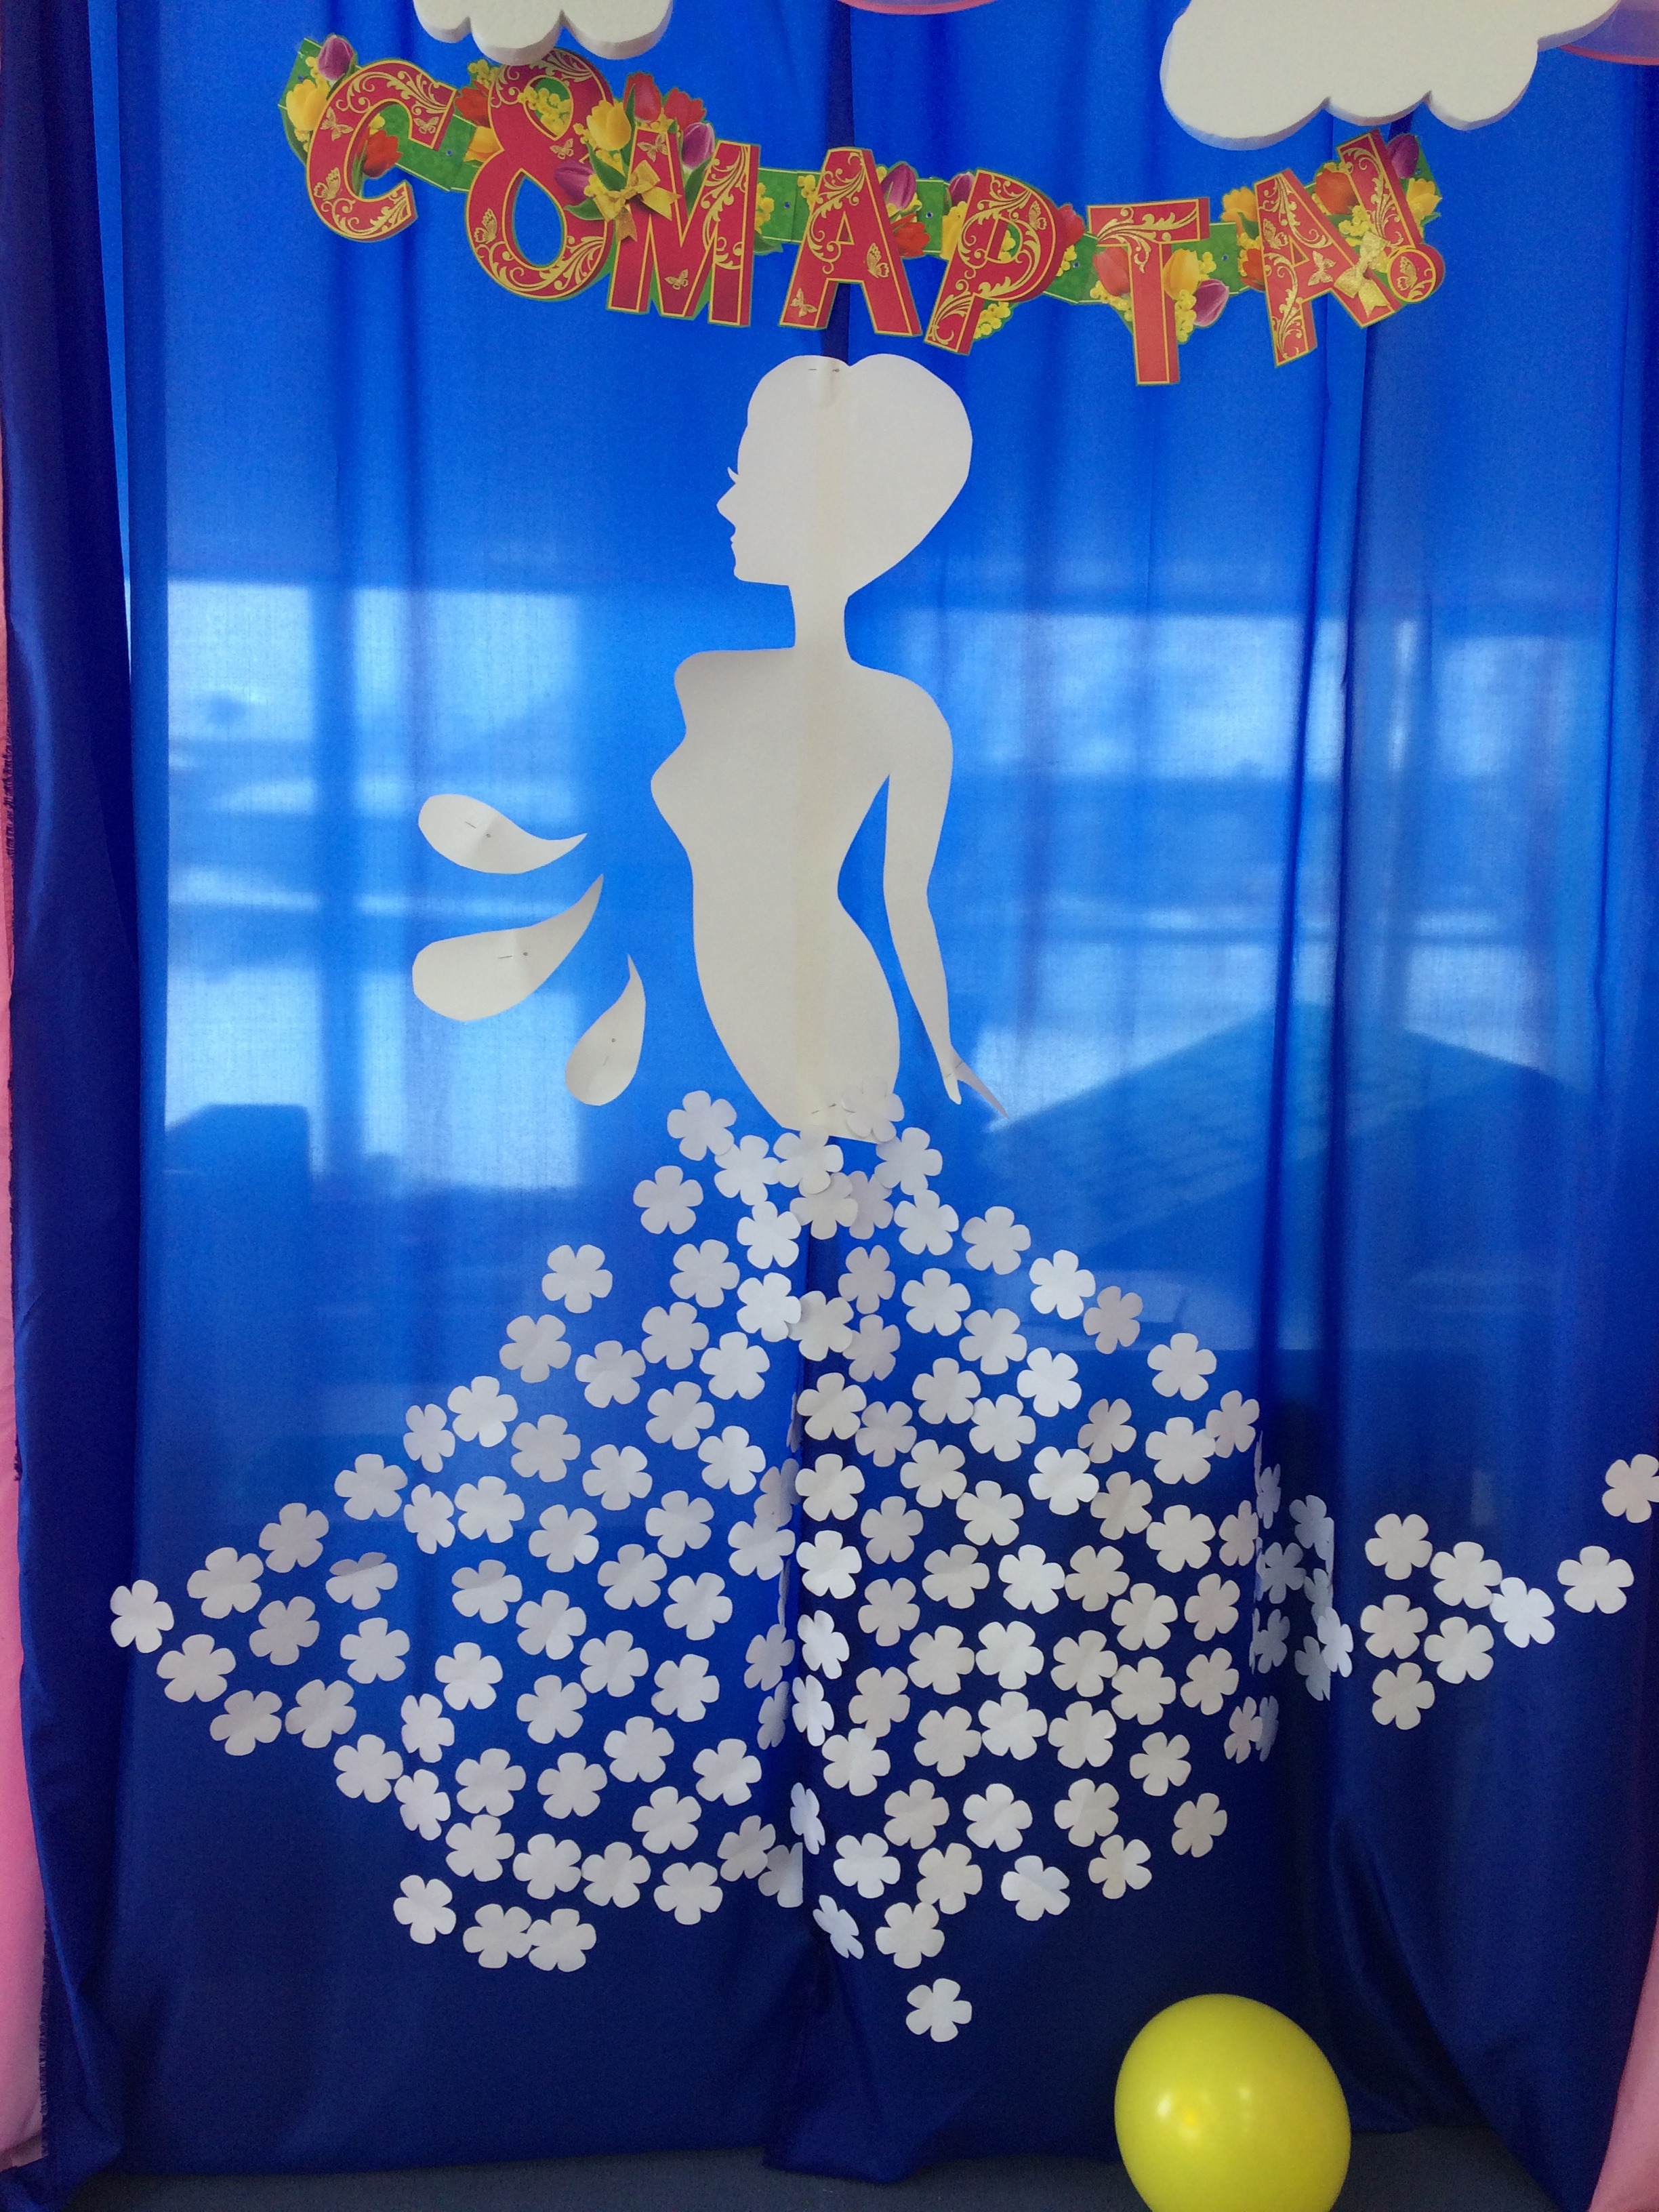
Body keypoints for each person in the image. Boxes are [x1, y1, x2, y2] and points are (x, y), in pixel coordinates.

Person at [652, 351, 999, 1139]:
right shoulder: (703, 680)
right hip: (728, 1004)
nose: (726, 501)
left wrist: (943, 1046)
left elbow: (906, 897)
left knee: (836, 1189)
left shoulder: (904, 716)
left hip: (836, 1009)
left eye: (748, 478)